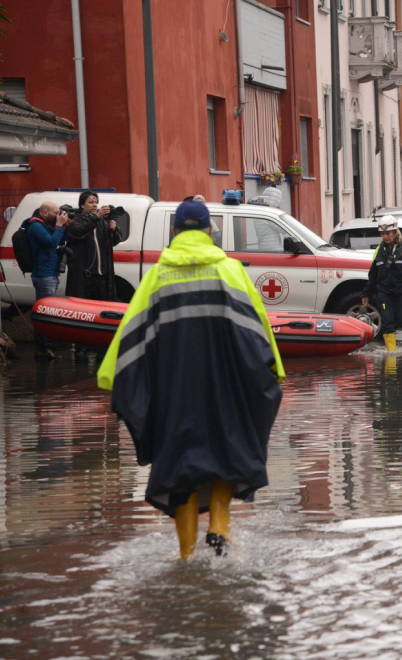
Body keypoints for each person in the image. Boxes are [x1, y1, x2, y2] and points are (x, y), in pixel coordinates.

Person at [97, 201, 284, 560]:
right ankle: (219, 524)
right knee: (229, 446)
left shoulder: (157, 275)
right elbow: (256, 328)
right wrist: (272, 369)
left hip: (173, 387)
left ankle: (185, 554)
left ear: (175, 232)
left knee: (178, 462)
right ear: (210, 230)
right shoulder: (230, 270)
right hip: (226, 383)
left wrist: (112, 379)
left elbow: (131, 333)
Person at [361, 216, 402, 352]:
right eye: (383, 234)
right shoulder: (378, 252)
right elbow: (373, 275)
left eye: (388, 233)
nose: (385, 237)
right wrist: (366, 293)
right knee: (387, 321)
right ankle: (391, 353)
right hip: (385, 292)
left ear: (395, 232)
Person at [27, 201, 72, 361]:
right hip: (43, 275)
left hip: (50, 274)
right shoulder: (35, 226)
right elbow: (51, 243)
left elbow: (59, 242)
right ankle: (42, 349)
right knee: (44, 313)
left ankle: (44, 348)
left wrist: (64, 228)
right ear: (45, 213)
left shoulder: (47, 224)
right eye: (55, 212)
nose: (58, 215)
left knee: (47, 312)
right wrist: (59, 226)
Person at [66, 190, 123, 301]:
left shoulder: (101, 221)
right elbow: (77, 232)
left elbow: (113, 242)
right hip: (84, 274)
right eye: (91, 202)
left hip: (102, 273)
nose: (95, 205)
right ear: (82, 205)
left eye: (96, 202)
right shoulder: (76, 218)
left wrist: (114, 230)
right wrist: (96, 218)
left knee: (101, 304)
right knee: (83, 306)